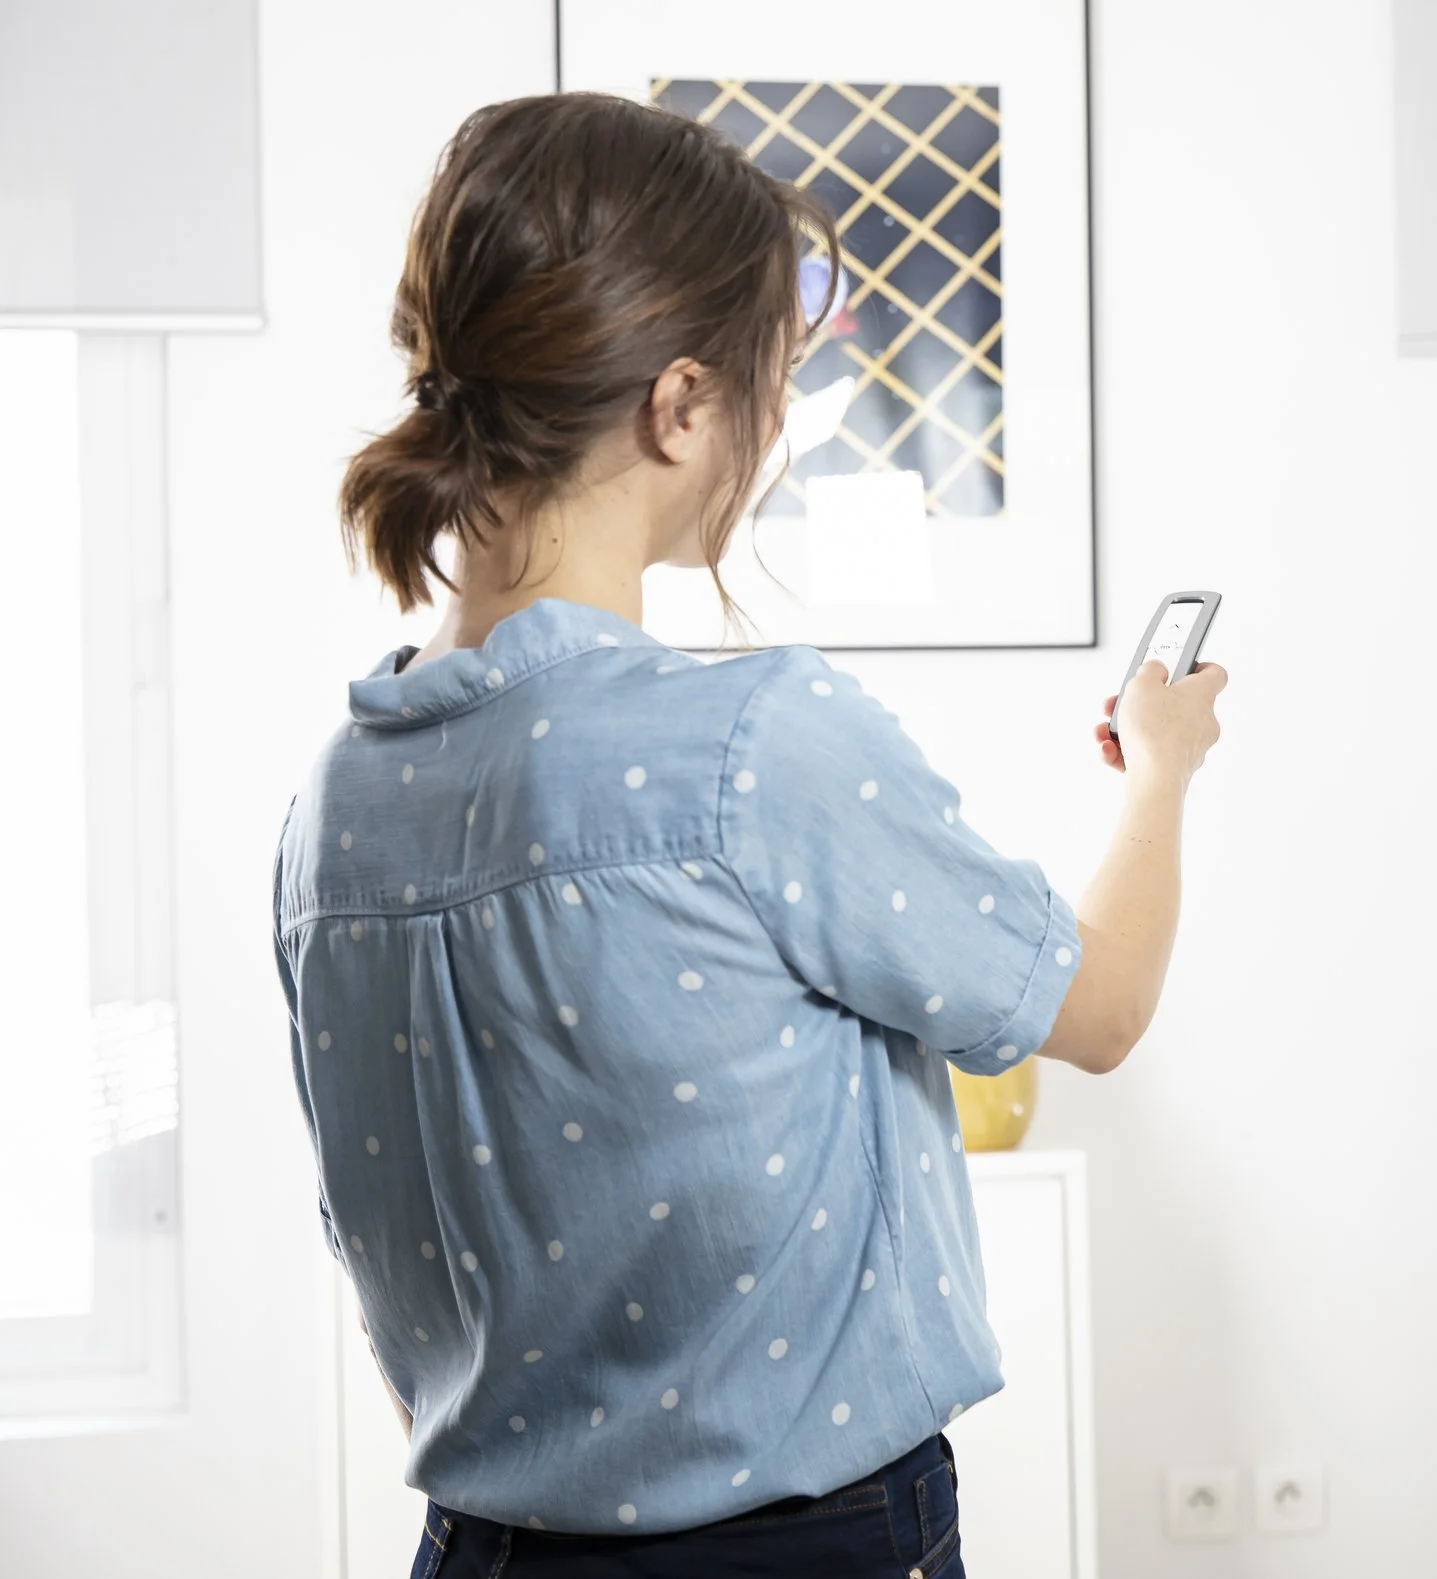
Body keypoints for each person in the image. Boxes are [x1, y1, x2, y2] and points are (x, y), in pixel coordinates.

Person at [273, 92, 1223, 1578]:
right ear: (682, 403)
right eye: (773, 387)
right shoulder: (748, 747)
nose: (772, 433)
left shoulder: (336, 799)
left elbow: (384, 1253)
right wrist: (1160, 768)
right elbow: (1094, 1007)